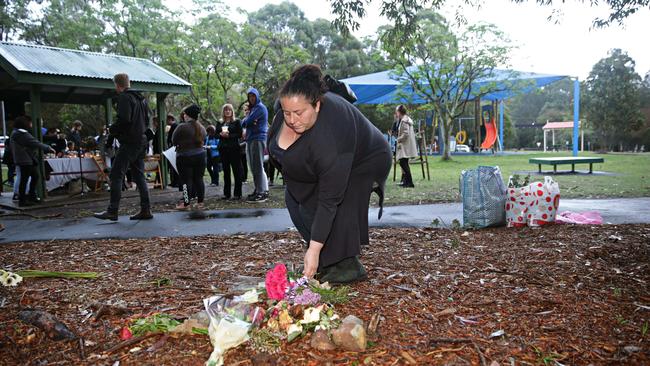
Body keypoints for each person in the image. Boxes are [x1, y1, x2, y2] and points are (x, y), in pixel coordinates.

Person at [267, 64, 391, 284]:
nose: (292, 120)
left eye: (299, 113)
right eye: (287, 113)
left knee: (338, 201)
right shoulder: (283, 119)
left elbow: (329, 200)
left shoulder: (331, 134)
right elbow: (279, 156)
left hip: (366, 158)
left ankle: (347, 266)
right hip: (331, 156)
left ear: (316, 105)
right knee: (295, 199)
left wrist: (313, 249)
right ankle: (326, 260)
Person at [94, 73, 153, 221]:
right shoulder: (142, 99)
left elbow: (125, 119)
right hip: (141, 140)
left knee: (116, 175)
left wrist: (112, 129)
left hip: (130, 141)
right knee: (139, 176)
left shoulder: (124, 97)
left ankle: (112, 211)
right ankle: (146, 210)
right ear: (129, 82)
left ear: (117, 85)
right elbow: (146, 121)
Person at [10, 116, 55, 207]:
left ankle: (31, 196)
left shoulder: (16, 133)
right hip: (25, 159)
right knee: (25, 179)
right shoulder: (21, 134)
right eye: (30, 122)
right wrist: (48, 148)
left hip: (24, 159)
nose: (31, 124)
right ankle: (23, 200)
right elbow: (35, 142)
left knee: (34, 176)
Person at [171, 104, 207, 210]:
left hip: (184, 157)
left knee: (186, 181)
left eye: (185, 114)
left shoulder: (181, 127)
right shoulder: (201, 127)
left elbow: (173, 141)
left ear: (187, 115)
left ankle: (186, 203)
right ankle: (200, 203)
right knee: (199, 179)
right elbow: (204, 137)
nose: (184, 116)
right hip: (200, 155)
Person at [241, 88, 269, 202]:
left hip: (258, 139)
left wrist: (248, 120)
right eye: (250, 96)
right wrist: (248, 120)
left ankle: (261, 193)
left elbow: (246, 122)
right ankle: (258, 190)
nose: (251, 98)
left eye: (253, 96)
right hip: (251, 139)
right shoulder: (253, 110)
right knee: (253, 167)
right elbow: (244, 123)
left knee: (257, 166)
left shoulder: (260, 108)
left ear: (257, 96)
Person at [219, 103, 244, 200]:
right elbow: (216, 133)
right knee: (226, 172)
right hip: (223, 149)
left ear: (232, 111)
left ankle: (237, 194)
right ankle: (227, 194)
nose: (227, 111)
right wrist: (221, 134)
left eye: (229, 110)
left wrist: (229, 136)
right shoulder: (220, 122)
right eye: (226, 110)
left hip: (234, 149)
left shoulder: (237, 122)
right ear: (223, 112)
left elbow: (240, 134)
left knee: (237, 171)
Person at [395, 105, 418, 188]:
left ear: (399, 112)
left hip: (405, 145)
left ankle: (410, 182)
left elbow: (406, 134)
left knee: (403, 163)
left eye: (396, 111)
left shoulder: (404, 121)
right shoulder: (406, 119)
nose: (396, 112)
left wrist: (398, 139)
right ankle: (406, 182)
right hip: (406, 145)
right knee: (404, 163)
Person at [166, 114, 180, 187]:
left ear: (171, 119)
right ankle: (174, 182)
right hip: (173, 148)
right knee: (172, 167)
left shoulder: (175, 126)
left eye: (167, 120)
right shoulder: (173, 126)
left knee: (175, 166)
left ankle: (176, 182)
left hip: (174, 148)